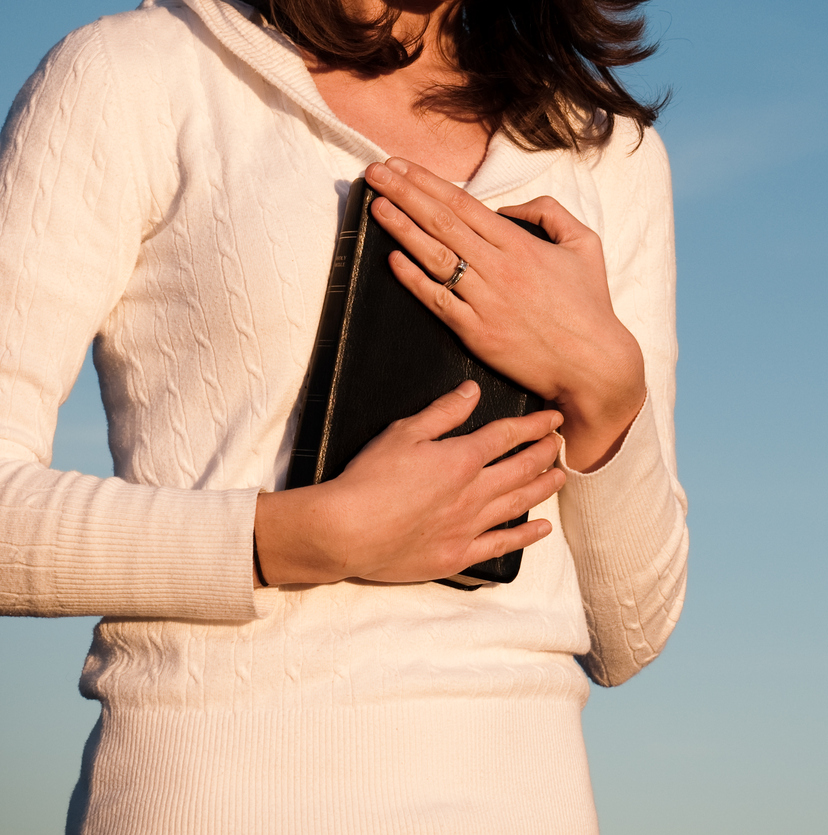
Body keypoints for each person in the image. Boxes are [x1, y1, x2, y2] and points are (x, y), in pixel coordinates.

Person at [0, 0, 687, 830]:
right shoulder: (134, 73)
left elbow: (633, 627)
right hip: (208, 793)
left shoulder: (603, 147)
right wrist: (309, 536)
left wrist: (608, 386)